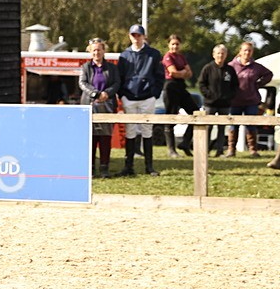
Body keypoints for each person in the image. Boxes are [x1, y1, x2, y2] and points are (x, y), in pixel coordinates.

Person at [117, 24, 165, 176]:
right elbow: (120, 77)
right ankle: (128, 166)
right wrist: (122, 95)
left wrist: (154, 94)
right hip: (129, 97)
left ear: (144, 36)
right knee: (130, 131)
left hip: (147, 98)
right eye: (133, 35)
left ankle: (149, 167)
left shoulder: (154, 54)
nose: (136, 38)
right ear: (130, 36)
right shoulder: (124, 55)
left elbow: (159, 76)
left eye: (139, 35)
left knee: (147, 131)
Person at [78, 38, 120, 178]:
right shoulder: (85, 68)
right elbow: (82, 83)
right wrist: (95, 94)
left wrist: (106, 93)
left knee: (105, 138)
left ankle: (104, 168)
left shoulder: (112, 68)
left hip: (107, 105)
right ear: (90, 52)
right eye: (94, 50)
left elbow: (116, 83)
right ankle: (90, 168)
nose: (97, 52)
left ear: (104, 51)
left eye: (99, 49)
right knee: (91, 138)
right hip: (89, 106)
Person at [227, 41, 273, 157]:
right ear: (240, 52)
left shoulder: (256, 67)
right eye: (245, 50)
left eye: (249, 50)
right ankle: (231, 150)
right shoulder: (231, 66)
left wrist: (258, 84)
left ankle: (253, 149)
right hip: (235, 101)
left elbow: (269, 74)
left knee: (251, 125)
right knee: (233, 125)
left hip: (251, 100)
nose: (247, 52)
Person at [197, 44, 239, 157]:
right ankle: (205, 150)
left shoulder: (230, 70)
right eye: (218, 53)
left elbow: (235, 85)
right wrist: (208, 95)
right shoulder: (208, 68)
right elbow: (201, 84)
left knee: (222, 128)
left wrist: (230, 96)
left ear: (226, 55)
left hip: (225, 104)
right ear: (214, 54)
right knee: (208, 127)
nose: (220, 55)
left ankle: (219, 150)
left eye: (223, 53)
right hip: (210, 103)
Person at [161, 34, 196, 157]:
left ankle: (185, 143)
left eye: (177, 44)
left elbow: (190, 73)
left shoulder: (181, 57)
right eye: (173, 44)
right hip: (171, 87)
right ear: (169, 45)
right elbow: (173, 72)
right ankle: (171, 149)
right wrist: (182, 72)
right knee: (171, 116)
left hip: (181, 87)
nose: (175, 46)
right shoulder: (167, 57)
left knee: (195, 113)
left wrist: (181, 73)